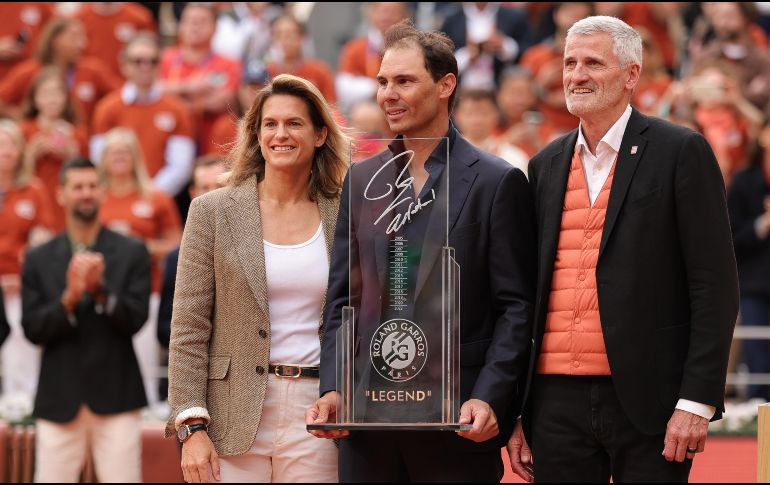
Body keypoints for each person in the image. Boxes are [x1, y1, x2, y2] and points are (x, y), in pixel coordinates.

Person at [507, 16, 739, 483]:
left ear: (632, 74)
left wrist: (696, 400)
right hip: (554, 401)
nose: (576, 75)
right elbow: (525, 292)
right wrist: (516, 408)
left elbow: (714, 285)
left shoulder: (681, 151)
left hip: (651, 398)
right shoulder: (544, 164)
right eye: (570, 62)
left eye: (593, 62)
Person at [308, 20, 536, 482]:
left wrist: (491, 396)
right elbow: (341, 299)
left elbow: (516, 308)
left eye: (405, 81)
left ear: (446, 84)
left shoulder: (497, 181)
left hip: (458, 418)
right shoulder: (360, 181)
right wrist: (333, 387)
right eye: (383, 82)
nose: (388, 94)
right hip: (366, 420)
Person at [165, 74, 347, 483]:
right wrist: (191, 426)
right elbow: (189, 328)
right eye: (270, 124)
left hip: (318, 413)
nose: (280, 134)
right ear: (257, 134)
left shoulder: (346, 211)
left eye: (294, 123)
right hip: (230, 414)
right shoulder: (211, 211)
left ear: (320, 135)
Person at [21, 157, 151, 482]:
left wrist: (101, 292)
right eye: (77, 187)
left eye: (92, 186)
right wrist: (69, 299)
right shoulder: (38, 258)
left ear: (103, 192)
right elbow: (33, 329)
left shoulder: (132, 250)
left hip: (117, 395)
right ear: (61, 194)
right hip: (58, 396)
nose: (86, 193)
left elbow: (136, 319)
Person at [157, 155, 228, 401]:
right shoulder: (175, 257)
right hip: (192, 381)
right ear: (192, 192)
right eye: (204, 188)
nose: (211, 196)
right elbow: (164, 327)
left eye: (219, 187)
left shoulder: (256, 248)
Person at [91, 32, 196, 198]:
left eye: (152, 61)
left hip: (160, 197)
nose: (145, 67)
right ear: (124, 65)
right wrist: (124, 192)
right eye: (138, 61)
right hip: (115, 195)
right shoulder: (107, 108)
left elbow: (180, 166)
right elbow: (99, 158)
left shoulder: (177, 109)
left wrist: (150, 194)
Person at [0, 119, 55, 401]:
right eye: (1, 144)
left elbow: (43, 239)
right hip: (2, 281)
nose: (5, 150)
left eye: (11, 144)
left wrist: (23, 276)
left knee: (22, 335)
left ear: (21, 151)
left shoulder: (33, 189)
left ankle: (22, 405)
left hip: (20, 285)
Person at [0, 17, 122, 126]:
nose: (82, 44)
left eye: (83, 37)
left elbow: (122, 95)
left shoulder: (93, 70)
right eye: (74, 37)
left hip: (81, 143)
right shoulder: (29, 71)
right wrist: (21, 117)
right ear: (54, 40)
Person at [159, 4, 242, 155]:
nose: (194, 26)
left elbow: (222, 101)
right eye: (189, 21)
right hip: (168, 141)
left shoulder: (229, 64)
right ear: (180, 26)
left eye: (202, 21)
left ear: (215, 27)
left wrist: (172, 97)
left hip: (210, 146)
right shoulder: (164, 59)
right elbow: (153, 90)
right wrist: (190, 87)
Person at [726, 123, 770, 402]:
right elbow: (729, 236)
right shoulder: (743, 181)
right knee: (757, 353)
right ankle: (758, 413)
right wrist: (761, 225)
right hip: (754, 283)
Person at [21, 67, 89, 231]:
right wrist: (30, 155)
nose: (52, 99)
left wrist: (71, 156)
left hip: (65, 206)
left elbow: (87, 174)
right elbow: (14, 175)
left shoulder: (77, 133)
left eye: (57, 94)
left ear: (66, 98)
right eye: (45, 94)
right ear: (35, 99)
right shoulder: (24, 130)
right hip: (33, 204)